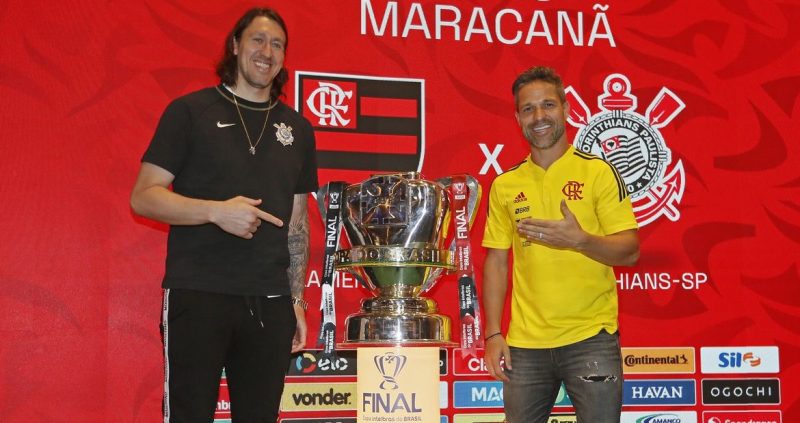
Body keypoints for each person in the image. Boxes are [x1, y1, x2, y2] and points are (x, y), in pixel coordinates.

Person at [130, 7, 317, 422]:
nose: (266, 51)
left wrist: (297, 300)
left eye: (277, 44)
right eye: (257, 39)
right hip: (199, 294)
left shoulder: (298, 130)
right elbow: (143, 197)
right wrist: (216, 212)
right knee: (189, 415)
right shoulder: (190, 112)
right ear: (235, 46)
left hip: (270, 301)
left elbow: (297, 224)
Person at [481, 66, 640, 423]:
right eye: (528, 109)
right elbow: (496, 262)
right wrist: (493, 333)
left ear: (566, 110)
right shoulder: (505, 185)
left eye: (548, 105)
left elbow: (630, 250)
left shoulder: (597, 172)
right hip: (525, 344)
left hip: (591, 338)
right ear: (518, 118)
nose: (539, 116)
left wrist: (580, 240)